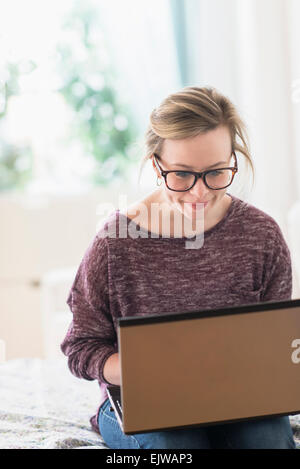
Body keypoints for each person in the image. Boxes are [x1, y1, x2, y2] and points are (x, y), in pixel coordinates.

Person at [61, 86, 296, 449]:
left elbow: (275, 343)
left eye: (216, 172)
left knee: (268, 440)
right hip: (143, 403)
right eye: (182, 175)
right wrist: (139, 369)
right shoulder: (115, 242)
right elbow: (80, 347)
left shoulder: (261, 235)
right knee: (178, 445)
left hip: (239, 400)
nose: (199, 193)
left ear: (234, 159)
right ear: (156, 164)